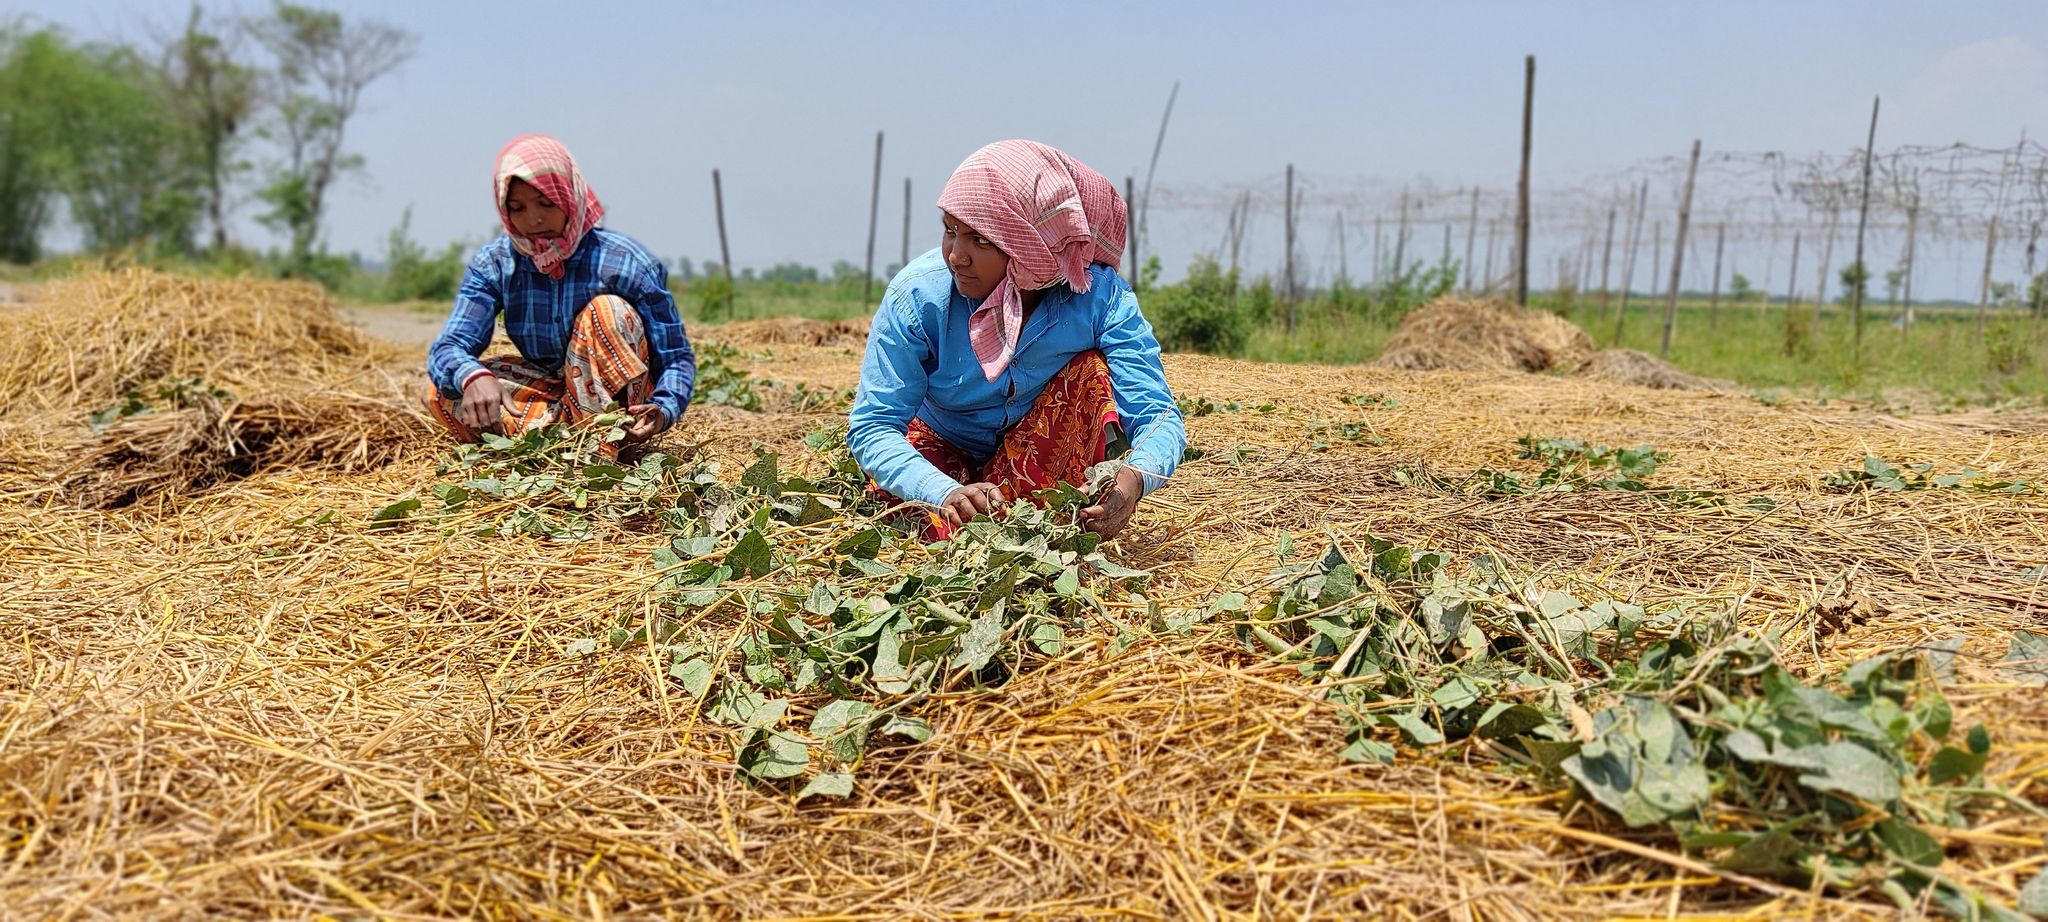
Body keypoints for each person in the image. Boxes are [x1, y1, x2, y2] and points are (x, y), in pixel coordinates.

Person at [847, 140, 1186, 541]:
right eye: (951, 231)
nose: (957, 256)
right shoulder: (918, 297)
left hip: (1036, 450)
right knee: (947, 536)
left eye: (982, 240)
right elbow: (874, 426)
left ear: (1034, 247)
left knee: (1090, 372)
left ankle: (1044, 513)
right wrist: (943, 492)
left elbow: (1158, 415)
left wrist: (1132, 482)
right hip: (938, 449)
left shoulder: (1098, 297)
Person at [424, 134, 694, 455]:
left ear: (569, 196)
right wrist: (471, 377)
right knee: (442, 390)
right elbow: (451, 345)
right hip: (550, 391)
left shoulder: (625, 262)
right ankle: (564, 440)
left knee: (608, 310)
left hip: (619, 400)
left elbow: (675, 357)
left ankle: (600, 445)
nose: (533, 220)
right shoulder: (496, 263)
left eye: (546, 203)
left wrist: (664, 409)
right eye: (517, 208)